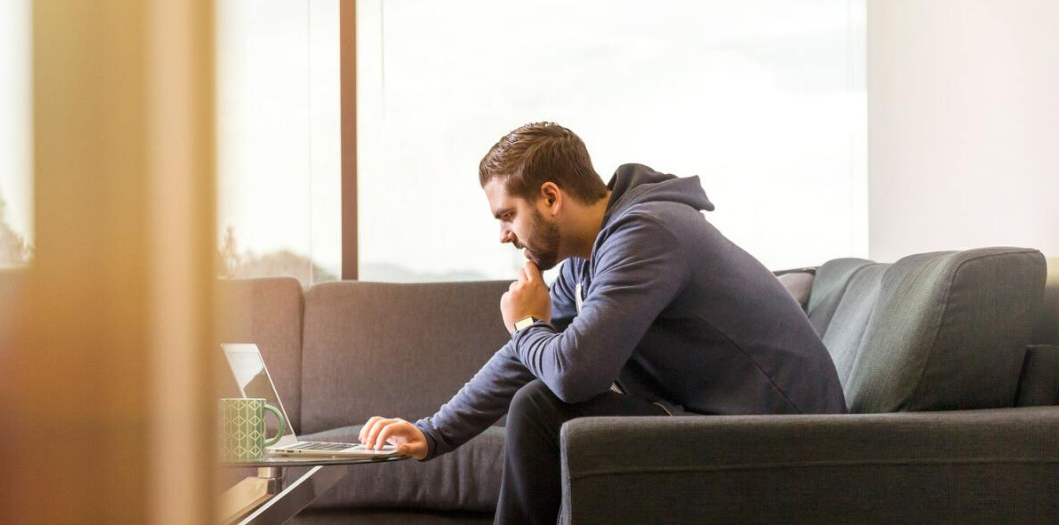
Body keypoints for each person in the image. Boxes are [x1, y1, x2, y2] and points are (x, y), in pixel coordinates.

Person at [358, 122, 847, 524]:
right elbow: (526, 361)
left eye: (508, 215)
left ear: (551, 198)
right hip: (721, 422)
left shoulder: (646, 234)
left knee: (542, 409)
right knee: (537, 399)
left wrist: (527, 323)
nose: (504, 235)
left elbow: (575, 374)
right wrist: (433, 433)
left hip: (789, 441)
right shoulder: (587, 259)